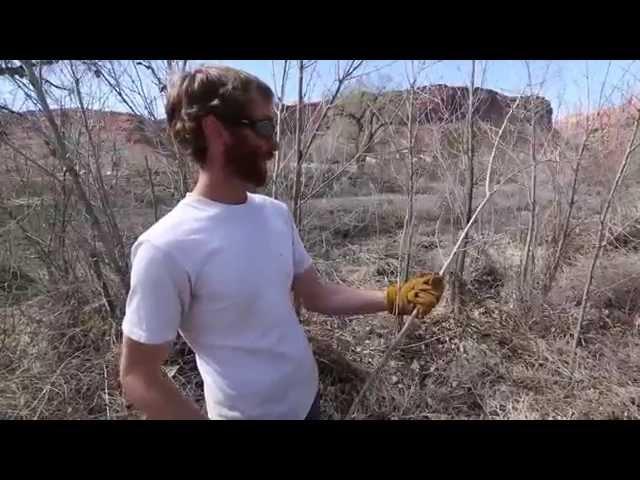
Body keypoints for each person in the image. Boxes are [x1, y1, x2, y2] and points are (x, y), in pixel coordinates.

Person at [119, 65, 445, 420]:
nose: (273, 143)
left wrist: (392, 298)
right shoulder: (165, 247)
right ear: (215, 130)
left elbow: (317, 295)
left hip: (308, 402)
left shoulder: (274, 214)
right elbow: (139, 376)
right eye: (262, 127)